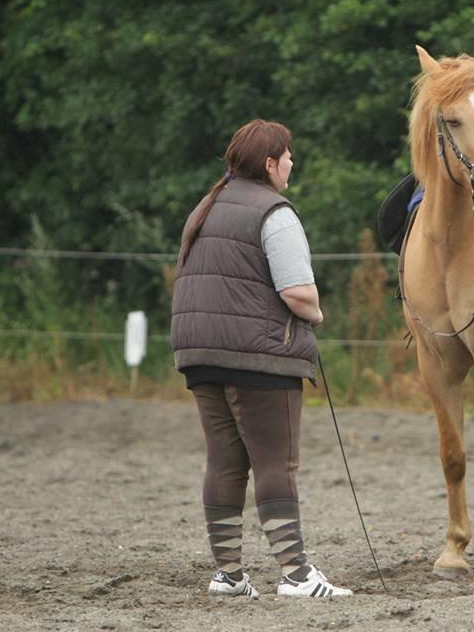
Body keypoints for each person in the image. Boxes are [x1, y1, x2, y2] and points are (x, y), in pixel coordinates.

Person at [170, 119, 352, 599]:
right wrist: (317, 312)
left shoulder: (203, 210)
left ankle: (228, 575)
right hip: (260, 358)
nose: (292, 162)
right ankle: (296, 575)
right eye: (287, 155)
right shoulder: (274, 211)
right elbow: (297, 291)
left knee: (225, 463)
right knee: (277, 463)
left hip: (200, 355)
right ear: (270, 163)